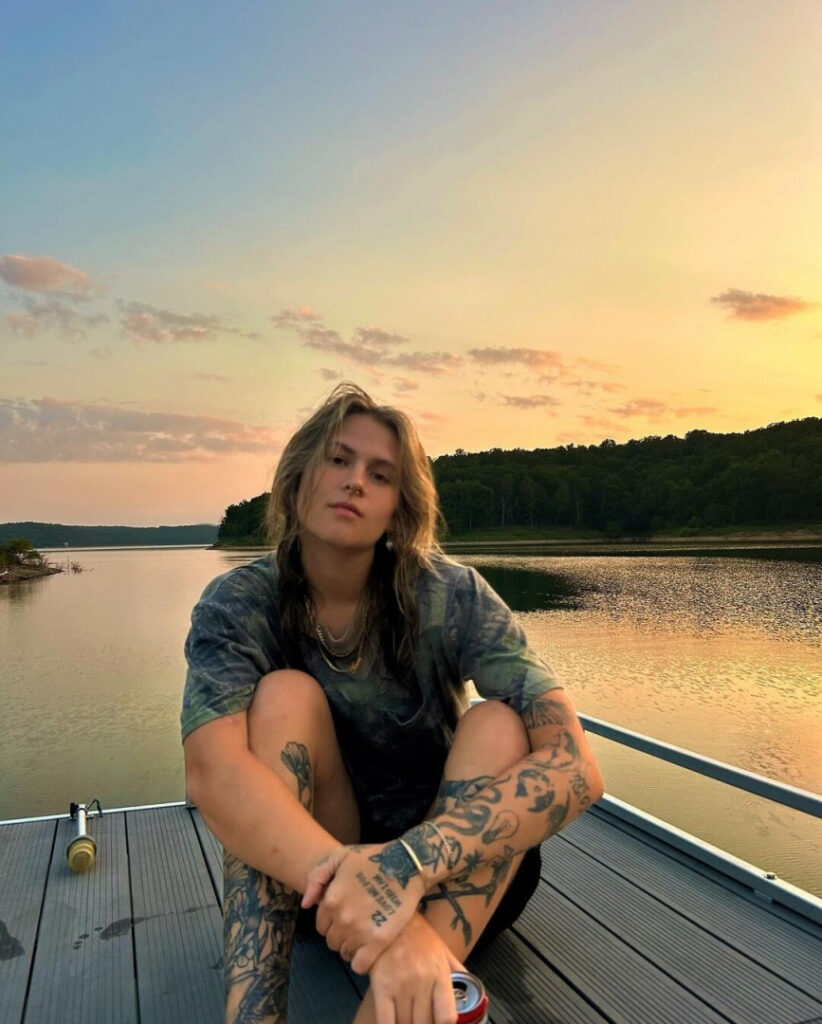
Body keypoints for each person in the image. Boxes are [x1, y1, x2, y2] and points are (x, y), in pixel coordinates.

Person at [182, 383, 604, 1024]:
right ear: (297, 478)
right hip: (315, 886)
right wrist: (363, 884)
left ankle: (408, 987)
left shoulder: (452, 595)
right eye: (338, 459)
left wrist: (405, 866)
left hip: (459, 874)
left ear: (398, 509)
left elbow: (577, 767)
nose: (355, 481)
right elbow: (213, 772)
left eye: (380, 475)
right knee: (284, 696)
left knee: (499, 722)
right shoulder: (239, 603)